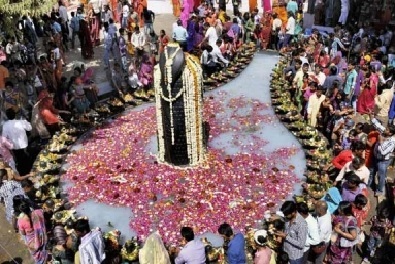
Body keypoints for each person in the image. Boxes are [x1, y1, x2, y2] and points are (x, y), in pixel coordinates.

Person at [2, 108, 32, 176]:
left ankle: (24, 174)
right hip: (24, 145)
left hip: (14, 147)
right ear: (15, 115)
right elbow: (30, 128)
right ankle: (29, 172)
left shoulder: (5, 125)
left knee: (20, 160)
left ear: (7, 116)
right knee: (26, 159)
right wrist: (27, 122)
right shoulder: (21, 122)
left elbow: (4, 137)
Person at [17, 198, 48, 264]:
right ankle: (45, 259)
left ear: (21, 210)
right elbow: (44, 221)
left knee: (37, 254)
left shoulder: (21, 220)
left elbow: (23, 233)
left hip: (32, 242)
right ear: (29, 206)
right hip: (42, 238)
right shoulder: (38, 212)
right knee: (43, 250)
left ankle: (40, 261)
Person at [371, 124, 395, 196]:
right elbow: (378, 126)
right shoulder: (384, 133)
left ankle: (380, 190)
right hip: (375, 157)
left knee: (381, 176)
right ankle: (370, 185)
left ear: (390, 133)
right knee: (372, 172)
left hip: (382, 161)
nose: (385, 130)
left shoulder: (392, 142)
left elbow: (383, 152)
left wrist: (380, 141)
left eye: (387, 130)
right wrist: (372, 117)